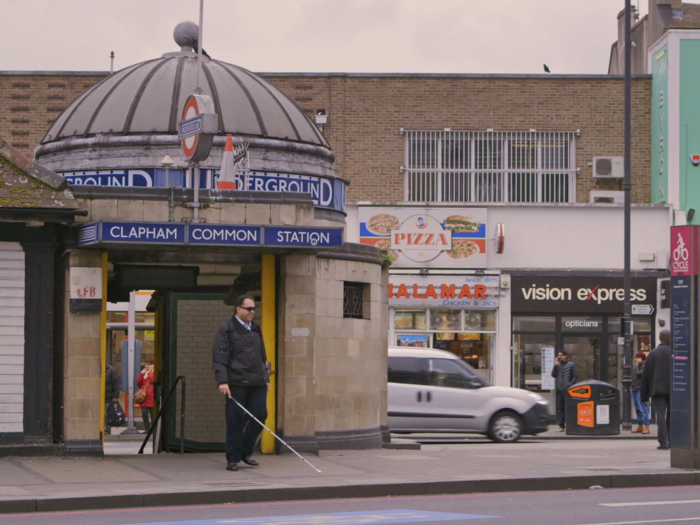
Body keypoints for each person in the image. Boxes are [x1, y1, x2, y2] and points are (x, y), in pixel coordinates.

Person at [213, 295, 269, 472]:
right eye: (249, 309)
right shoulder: (227, 330)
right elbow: (220, 358)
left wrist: (265, 378)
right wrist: (222, 381)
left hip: (257, 382)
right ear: (238, 309)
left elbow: (262, 356)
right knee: (235, 421)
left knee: (260, 415)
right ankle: (233, 457)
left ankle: (245, 451)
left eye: (254, 309)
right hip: (236, 382)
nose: (252, 312)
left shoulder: (256, 328)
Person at [641, 330, 672, 450]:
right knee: (671, 414)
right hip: (673, 389)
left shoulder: (653, 353)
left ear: (660, 338)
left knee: (660, 415)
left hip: (657, 389)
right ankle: (672, 440)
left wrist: (644, 396)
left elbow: (646, 375)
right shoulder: (675, 352)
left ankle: (663, 442)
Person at [551, 350, 578, 432]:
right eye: (559, 355)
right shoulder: (558, 365)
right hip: (559, 389)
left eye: (561, 355)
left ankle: (570, 424)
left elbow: (575, 376)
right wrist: (555, 365)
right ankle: (562, 426)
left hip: (568, 389)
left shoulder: (571, 365)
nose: (559, 357)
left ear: (565, 356)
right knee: (561, 408)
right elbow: (553, 375)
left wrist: (570, 385)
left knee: (568, 407)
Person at [631, 352, 650, 435]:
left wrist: (636, 365)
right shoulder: (638, 366)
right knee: (637, 408)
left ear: (642, 358)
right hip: (634, 388)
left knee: (643, 407)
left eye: (638, 358)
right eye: (636, 358)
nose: (636, 359)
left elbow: (639, 374)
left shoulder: (645, 366)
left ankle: (647, 426)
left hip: (641, 389)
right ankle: (640, 425)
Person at [137, 358, 155, 433]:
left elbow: (152, 380)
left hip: (151, 397)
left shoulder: (153, 373)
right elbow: (138, 382)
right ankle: (147, 429)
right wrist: (142, 374)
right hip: (144, 397)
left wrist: (150, 372)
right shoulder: (144, 373)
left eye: (149, 364)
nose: (147, 366)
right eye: (146, 364)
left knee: (153, 414)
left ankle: (154, 429)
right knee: (144, 414)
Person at [105, 363, 121, 435]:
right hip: (103, 395)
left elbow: (116, 384)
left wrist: (115, 396)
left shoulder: (111, 370)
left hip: (108, 396)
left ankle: (106, 429)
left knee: (107, 413)